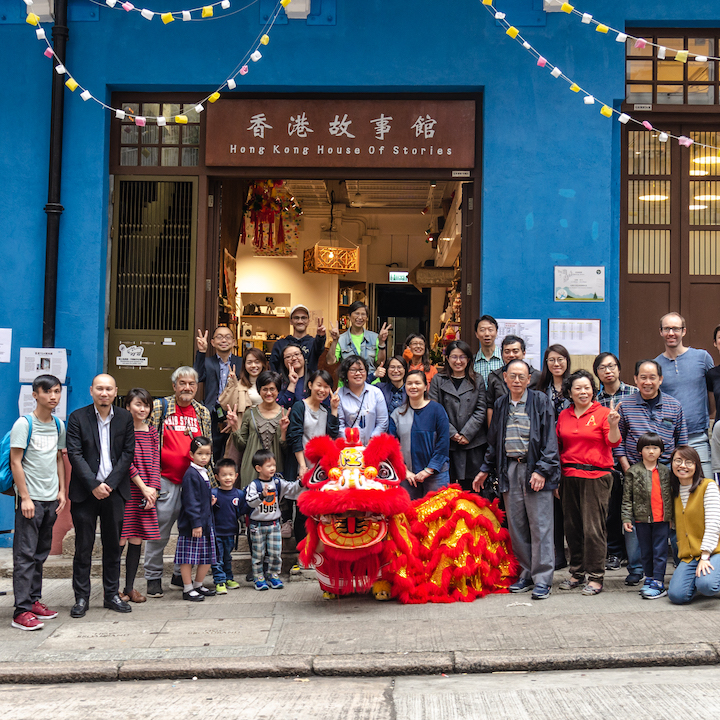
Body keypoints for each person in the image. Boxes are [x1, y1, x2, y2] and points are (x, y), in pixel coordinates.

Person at [473, 359, 560, 600]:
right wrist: (484, 469)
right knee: (517, 525)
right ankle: (526, 573)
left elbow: (550, 441)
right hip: (510, 469)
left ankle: (543, 578)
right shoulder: (501, 404)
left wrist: (542, 471)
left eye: (522, 376)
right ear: (505, 378)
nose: (517, 380)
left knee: (541, 526)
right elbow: (494, 441)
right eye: (513, 376)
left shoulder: (540, 401)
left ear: (529, 379)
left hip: (534, 470)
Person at [66, 374, 135, 617]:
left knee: (113, 546)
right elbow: (74, 454)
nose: (104, 393)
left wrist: (110, 484)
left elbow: (128, 454)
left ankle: (111, 595)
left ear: (116, 391)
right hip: (85, 493)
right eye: (99, 389)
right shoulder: (77, 418)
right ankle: (81, 598)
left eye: (108, 389)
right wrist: (94, 484)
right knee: (83, 546)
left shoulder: (125, 418)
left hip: (115, 492)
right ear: (91, 391)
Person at [616, 359, 688, 586]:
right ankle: (637, 568)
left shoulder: (674, 406)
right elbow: (618, 442)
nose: (648, 382)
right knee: (637, 523)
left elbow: (682, 442)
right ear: (635, 379)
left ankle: (680, 564)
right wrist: (628, 470)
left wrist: (678, 473)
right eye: (643, 377)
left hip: (667, 475)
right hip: (635, 473)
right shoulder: (625, 406)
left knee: (671, 520)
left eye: (652, 377)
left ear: (661, 379)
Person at [144, 367, 212, 599]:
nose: (187, 388)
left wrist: (209, 485)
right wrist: (149, 482)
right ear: (174, 386)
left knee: (188, 532)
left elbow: (207, 449)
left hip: (194, 483)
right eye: (182, 383)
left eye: (191, 384)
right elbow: (148, 442)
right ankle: (153, 576)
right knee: (160, 530)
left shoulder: (202, 412)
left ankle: (179, 576)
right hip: (165, 480)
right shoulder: (160, 408)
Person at [555, 370, 621, 596]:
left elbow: (613, 442)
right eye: (578, 388)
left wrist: (613, 424)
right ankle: (576, 572)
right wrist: (557, 479)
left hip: (596, 476)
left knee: (593, 529)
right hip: (569, 477)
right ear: (569, 392)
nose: (583, 392)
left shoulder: (603, 413)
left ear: (593, 390)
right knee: (572, 528)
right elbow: (559, 448)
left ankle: (595, 576)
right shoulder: (564, 415)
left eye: (587, 388)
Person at [9, 375, 66, 631]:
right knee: (25, 555)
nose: (53, 397)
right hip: (30, 501)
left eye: (57, 391)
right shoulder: (24, 424)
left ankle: (34, 601)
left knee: (40, 554)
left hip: (50, 499)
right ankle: (20, 611)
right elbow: (16, 461)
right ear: (35, 395)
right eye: (48, 392)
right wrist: (25, 497)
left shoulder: (58, 424)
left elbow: (58, 460)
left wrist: (62, 491)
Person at [593, 351, 639, 572]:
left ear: (619, 369)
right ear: (597, 374)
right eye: (602, 368)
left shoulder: (634, 393)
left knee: (633, 509)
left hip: (634, 461)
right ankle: (615, 553)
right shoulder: (595, 401)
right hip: (608, 463)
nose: (608, 371)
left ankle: (636, 554)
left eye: (611, 366)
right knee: (611, 511)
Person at [655, 312, 714, 479]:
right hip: (668, 440)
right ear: (661, 332)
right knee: (671, 493)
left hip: (698, 437)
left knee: (706, 486)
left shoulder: (702, 358)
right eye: (667, 329)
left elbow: (713, 392)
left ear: (684, 331)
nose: (671, 333)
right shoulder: (656, 365)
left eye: (675, 328)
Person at [286, 370, 340, 552]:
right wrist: (302, 465)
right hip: (304, 465)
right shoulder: (300, 407)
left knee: (320, 509)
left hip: (322, 469)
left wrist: (334, 409)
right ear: (309, 385)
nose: (322, 390)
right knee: (303, 510)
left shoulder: (325, 410)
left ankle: (317, 550)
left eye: (326, 386)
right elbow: (295, 436)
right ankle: (302, 551)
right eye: (319, 385)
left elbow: (332, 435)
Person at [119, 388, 161, 604]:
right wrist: (143, 487)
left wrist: (153, 489)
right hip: (127, 490)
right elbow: (125, 463)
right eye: (138, 404)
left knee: (136, 540)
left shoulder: (152, 431)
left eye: (146, 405)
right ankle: (113, 589)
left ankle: (129, 589)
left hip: (147, 493)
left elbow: (155, 461)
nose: (143, 409)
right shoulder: (122, 431)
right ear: (127, 407)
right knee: (120, 539)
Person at [428, 340, 486, 492]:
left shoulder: (478, 380)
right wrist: (453, 434)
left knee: (473, 489)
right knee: (448, 490)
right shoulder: (438, 380)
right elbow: (435, 410)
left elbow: (481, 409)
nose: (458, 361)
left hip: (473, 442)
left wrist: (466, 434)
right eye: (454, 357)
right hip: (448, 443)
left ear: (468, 359)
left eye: (462, 357)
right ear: (447, 358)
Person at [621, 433, 673, 600]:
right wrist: (626, 518)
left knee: (660, 551)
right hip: (641, 519)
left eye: (655, 448)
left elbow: (671, 496)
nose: (651, 452)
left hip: (662, 519)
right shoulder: (633, 472)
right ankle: (649, 577)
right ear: (640, 451)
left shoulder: (666, 471)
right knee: (645, 551)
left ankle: (658, 581)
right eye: (647, 448)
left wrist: (672, 517)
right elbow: (627, 497)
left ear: (661, 451)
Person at [667, 445, 720, 605]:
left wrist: (705, 556)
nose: (682, 466)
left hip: (714, 551)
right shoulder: (673, 492)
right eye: (678, 461)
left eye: (689, 462)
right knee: (677, 596)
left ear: (696, 465)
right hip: (690, 556)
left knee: (707, 585)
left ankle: (708, 580)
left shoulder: (707, 486)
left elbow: (713, 523)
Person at [245, 448, 302, 591]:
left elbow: (291, 489)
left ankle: (273, 575)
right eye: (268, 466)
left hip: (274, 524)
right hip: (257, 525)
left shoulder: (277, 482)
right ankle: (258, 576)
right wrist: (261, 496)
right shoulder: (254, 485)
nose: (272, 468)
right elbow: (250, 502)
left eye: (273, 465)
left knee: (276, 552)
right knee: (258, 553)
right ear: (258, 468)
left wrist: (300, 483)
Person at [390, 370, 450, 501]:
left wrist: (429, 470)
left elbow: (443, 443)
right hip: (407, 475)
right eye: (409, 383)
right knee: (408, 516)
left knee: (437, 516)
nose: (413, 386)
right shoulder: (397, 414)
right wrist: (404, 471)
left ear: (425, 387)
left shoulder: (437, 410)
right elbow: (392, 446)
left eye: (417, 383)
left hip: (436, 474)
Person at [539, 343, 571, 571]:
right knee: (551, 505)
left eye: (560, 359)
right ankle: (557, 554)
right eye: (552, 360)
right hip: (548, 451)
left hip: (571, 449)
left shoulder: (576, 386)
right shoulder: (539, 389)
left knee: (569, 505)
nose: (556, 364)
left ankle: (576, 554)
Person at [175, 436, 217, 602]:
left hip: (206, 522)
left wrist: (209, 501)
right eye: (200, 454)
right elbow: (190, 501)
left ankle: (198, 584)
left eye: (207, 454)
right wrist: (196, 523)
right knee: (188, 558)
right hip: (193, 524)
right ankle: (187, 588)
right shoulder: (191, 474)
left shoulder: (204, 472)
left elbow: (200, 497)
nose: (204, 457)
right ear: (192, 454)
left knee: (207, 557)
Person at [232, 370, 290, 488]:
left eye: (272, 389)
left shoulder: (285, 414)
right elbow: (241, 445)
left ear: (278, 390)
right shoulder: (250, 413)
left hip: (275, 469)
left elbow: (287, 451)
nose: (268, 393)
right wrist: (234, 427)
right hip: (251, 468)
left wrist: (283, 432)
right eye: (265, 389)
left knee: (273, 503)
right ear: (259, 390)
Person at [194, 326, 242, 462]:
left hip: (235, 415)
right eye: (219, 337)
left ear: (233, 342)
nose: (223, 340)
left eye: (227, 337)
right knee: (211, 453)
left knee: (233, 454)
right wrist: (201, 352)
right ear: (213, 342)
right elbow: (196, 377)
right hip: (212, 415)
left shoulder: (241, 362)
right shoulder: (208, 362)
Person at [219, 347, 269, 459]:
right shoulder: (240, 384)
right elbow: (225, 403)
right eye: (249, 362)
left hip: (265, 431)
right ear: (244, 365)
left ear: (263, 363)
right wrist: (232, 384)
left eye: (257, 362)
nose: (253, 366)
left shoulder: (270, 384)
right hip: (243, 432)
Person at [485, 335, 542, 427]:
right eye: (507, 351)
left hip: (530, 428)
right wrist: (491, 432)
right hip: (501, 427)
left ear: (524, 353)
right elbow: (490, 406)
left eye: (515, 351)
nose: (511, 355)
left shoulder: (537, 376)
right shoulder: (494, 377)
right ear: (502, 354)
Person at [336, 355, 389, 446]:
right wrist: (353, 443)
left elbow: (382, 422)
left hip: (372, 448)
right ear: (345, 373)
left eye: (361, 370)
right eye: (353, 370)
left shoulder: (376, 393)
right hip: (348, 448)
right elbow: (339, 426)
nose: (358, 373)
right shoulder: (338, 395)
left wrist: (372, 442)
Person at [328, 300, 391, 374]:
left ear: (367, 318)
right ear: (349, 316)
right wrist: (335, 341)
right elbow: (330, 361)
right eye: (357, 314)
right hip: (348, 382)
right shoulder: (341, 339)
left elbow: (380, 362)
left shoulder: (375, 337)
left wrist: (382, 342)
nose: (360, 317)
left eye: (363, 314)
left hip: (371, 381)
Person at [211, 458, 245, 594]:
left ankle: (228, 578)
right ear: (217, 477)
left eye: (231, 474)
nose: (228, 478)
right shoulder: (214, 494)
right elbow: (206, 512)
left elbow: (243, 510)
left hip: (231, 532)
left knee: (227, 557)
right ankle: (219, 581)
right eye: (224, 475)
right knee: (217, 558)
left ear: (236, 476)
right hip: (216, 533)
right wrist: (210, 505)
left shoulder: (239, 494)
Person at [269, 305, 327, 375]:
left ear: (308, 321)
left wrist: (321, 337)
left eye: (303, 318)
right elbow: (273, 369)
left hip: (308, 384)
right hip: (285, 385)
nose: (300, 321)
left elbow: (320, 347)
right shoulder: (279, 344)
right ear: (290, 321)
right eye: (296, 318)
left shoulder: (314, 343)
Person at [278, 343, 310, 409]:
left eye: (297, 354)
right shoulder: (278, 381)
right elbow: (280, 407)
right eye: (288, 356)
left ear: (303, 356)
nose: (294, 358)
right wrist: (292, 384)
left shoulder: (314, 378)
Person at [473, 314, 503, 385]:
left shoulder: (504, 358)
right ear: (476, 334)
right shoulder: (472, 361)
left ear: (496, 332)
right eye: (482, 330)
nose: (487, 334)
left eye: (490, 330)